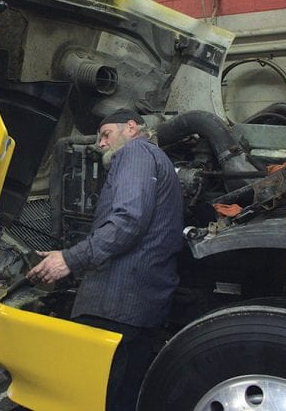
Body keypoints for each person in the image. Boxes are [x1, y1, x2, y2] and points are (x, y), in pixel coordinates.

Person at [27, 109, 183, 410]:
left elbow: (127, 221)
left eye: (106, 134)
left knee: (95, 396)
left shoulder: (136, 152)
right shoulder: (158, 160)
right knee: (124, 397)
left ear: (132, 128)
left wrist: (69, 260)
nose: (100, 143)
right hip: (141, 306)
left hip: (116, 304)